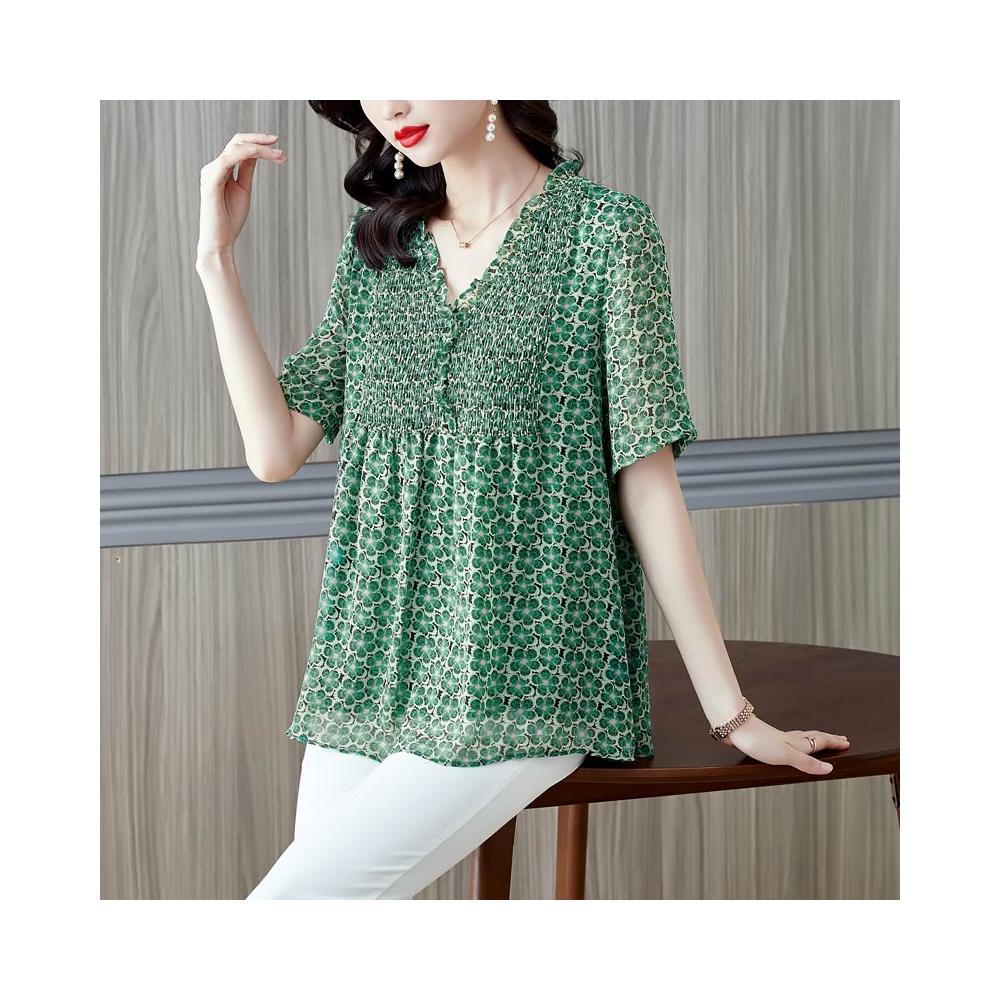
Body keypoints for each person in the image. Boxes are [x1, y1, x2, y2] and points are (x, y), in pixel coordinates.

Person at [195, 100, 850, 900]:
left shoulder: (605, 234)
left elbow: (646, 480)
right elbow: (274, 452)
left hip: (524, 668)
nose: (391, 102)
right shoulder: (381, 244)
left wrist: (732, 712)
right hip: (369, 663)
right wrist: (216, 261)